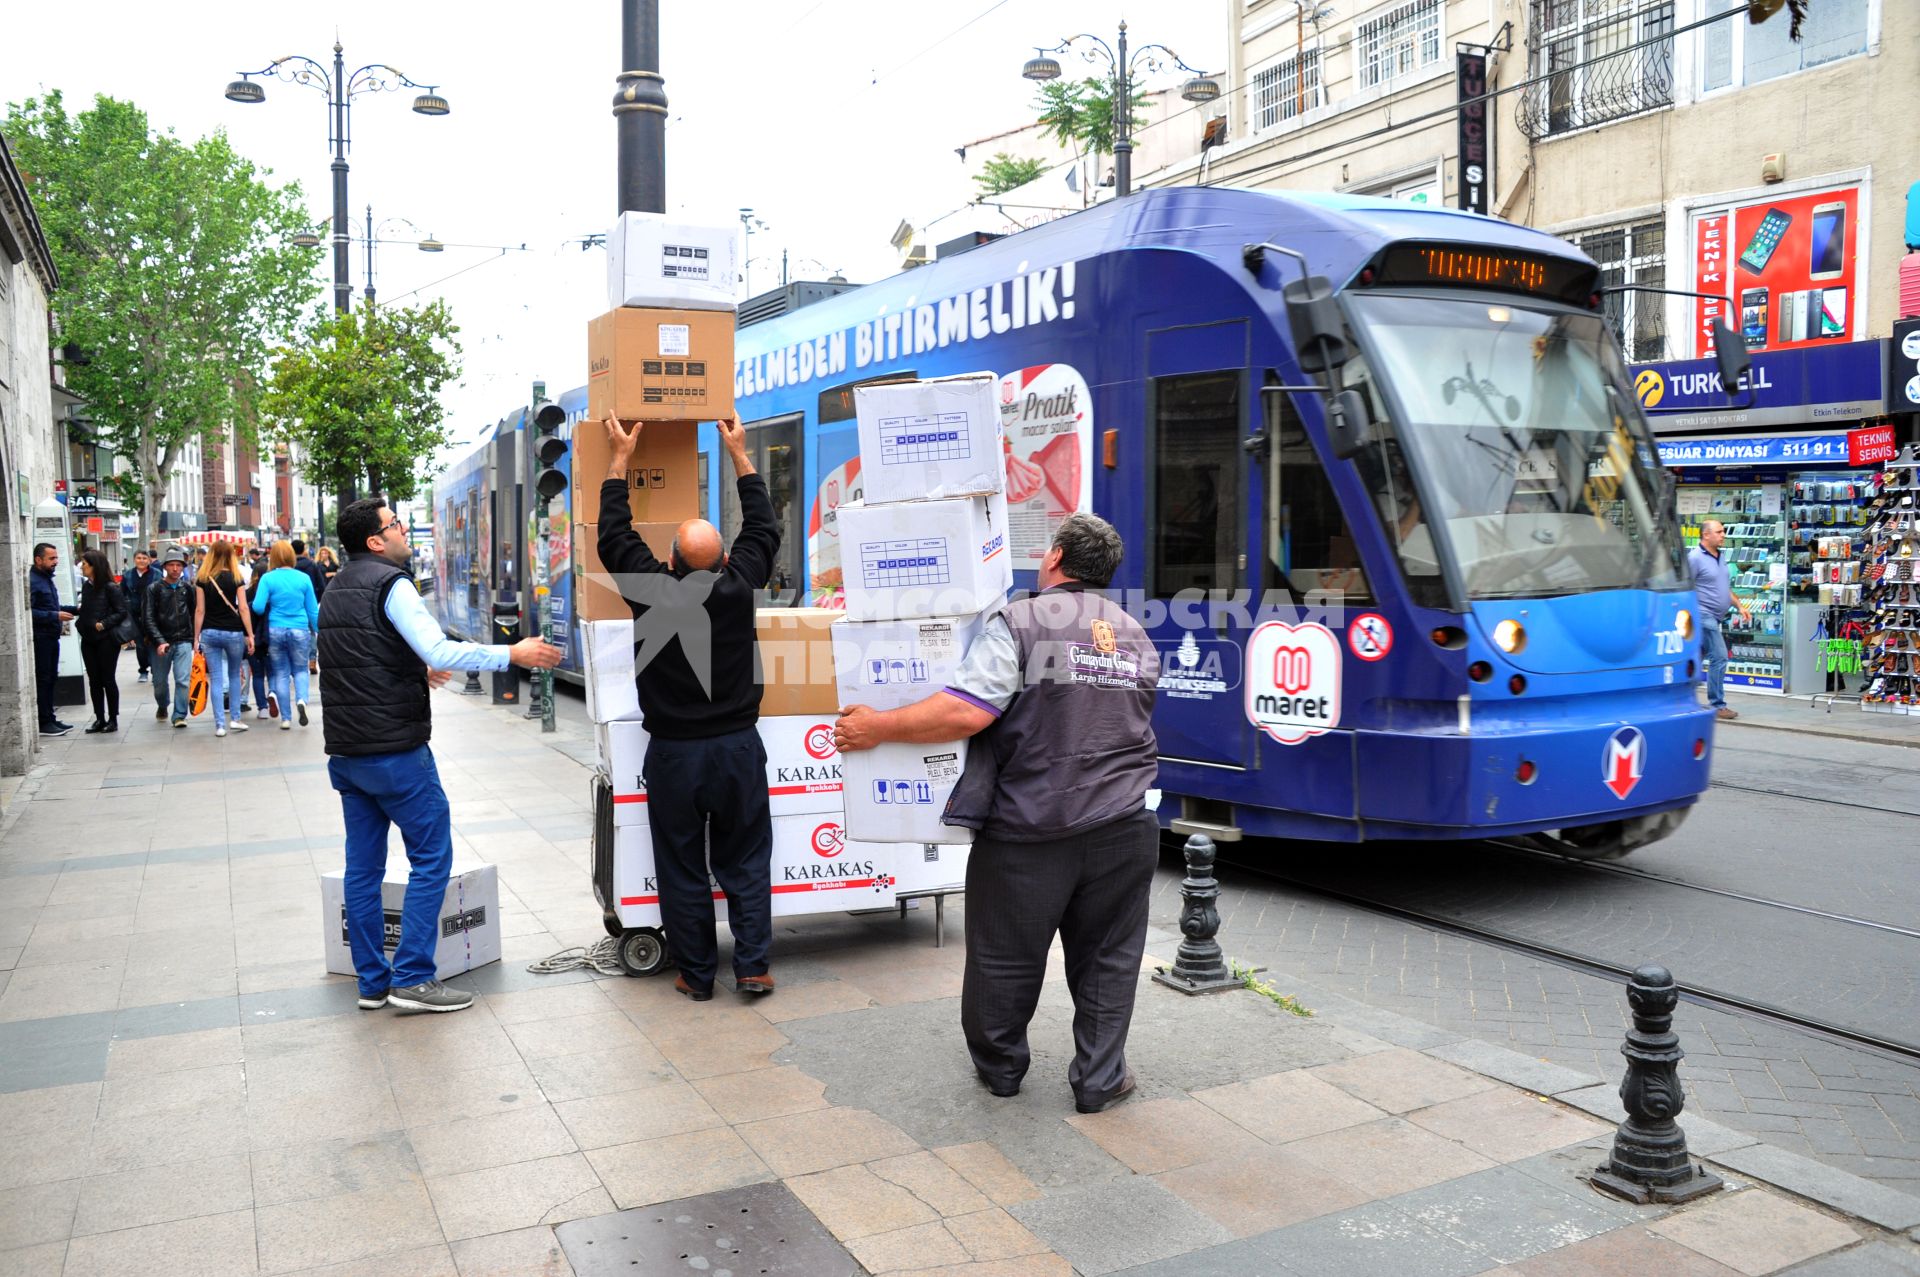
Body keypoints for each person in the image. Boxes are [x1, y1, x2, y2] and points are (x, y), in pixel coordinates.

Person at [834, 513, 1160, 1114]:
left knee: (1004, 955)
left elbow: (967, 711)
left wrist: (877, 727)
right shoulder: (1135, 633)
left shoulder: (1022, 621)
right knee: (1109, 959)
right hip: (1125, 823)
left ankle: (1002, 1069)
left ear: (1057, 556)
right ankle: (1100, 1079)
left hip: (1032, 828)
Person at [320, 496, 562, 1013]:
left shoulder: (335, 587)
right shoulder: (394, 584)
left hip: (347, 751)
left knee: (361, 869)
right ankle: (412, 977)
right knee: (431, 858)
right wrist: (511, 653)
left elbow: (363, 654)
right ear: (376, 541)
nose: (404, 530)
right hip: (396, 752)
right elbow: (439, 650)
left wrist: (412, 671)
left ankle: (372, 984)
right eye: (395, 524)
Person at [598, 411, 780, 1002]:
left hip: (674, 756)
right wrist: (740, 455)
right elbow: (764, 527)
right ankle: (752, 968)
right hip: (737, 751)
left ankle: (697, 976)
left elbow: (613, 535)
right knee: (746, 860)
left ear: (670, 562)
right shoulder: (740, 584)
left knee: (680, 867)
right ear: (724, 562)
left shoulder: (650, 592)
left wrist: (621, 459)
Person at [252, 539, 320, 729]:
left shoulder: (267, 578)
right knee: (300, 670)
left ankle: (286, 718)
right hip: (299, 628)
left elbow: (257, 607)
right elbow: (313, 610)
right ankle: (301, 700)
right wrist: (319, 630)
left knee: (280, 673)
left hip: (275, 629)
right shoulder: (303, 578)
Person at [1689, 519, 1751, 723]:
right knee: (1720, 656)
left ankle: (1681, 698)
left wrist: (1739, 606)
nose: (1723, 535)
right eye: (1719, 532)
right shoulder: (1695, 558)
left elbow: (1724, 588)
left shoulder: (1721, 556)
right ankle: (1717, 704)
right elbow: (1685, 587)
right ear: (1706, 535)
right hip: (1702, 614)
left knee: (1694, 659)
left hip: (1716, 616)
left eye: (1723, 531)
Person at [193, 540, 255, 737]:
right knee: (235, 675)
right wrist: (250, 634)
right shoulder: (236, 577)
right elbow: (243, 608)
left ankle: (220, 724)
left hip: (210, 632)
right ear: (231, 555)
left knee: (217, 679)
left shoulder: (203, 578)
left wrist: (196, 637)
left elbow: (199, 610)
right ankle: (235, 719)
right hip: (234, 632)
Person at [74, 549, 132, 734]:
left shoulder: (110, 587)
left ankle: (113, 719)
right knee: (94, 680)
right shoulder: (87, 586)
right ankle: (99, 717)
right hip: (88, 638)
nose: (82, 567)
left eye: (85, 564)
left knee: (108, 679)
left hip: (106, 640)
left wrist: (104, 624)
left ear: (94, 566)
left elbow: (121, 611)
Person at [144, 547, 197, 728]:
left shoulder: (188, 588)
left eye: (179, 565)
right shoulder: (154, 589)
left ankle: (179, 715)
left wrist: (194, 638)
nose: (175, 569)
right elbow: (148, 618)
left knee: (182, 680)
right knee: (159, 682)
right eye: (172, 565)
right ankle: (162, 705)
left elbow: (193, 613)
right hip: (160, 642)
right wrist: (159, 641)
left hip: (183, 640)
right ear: (165, 567)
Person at [29, 543, 77, 737]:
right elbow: (28, 612)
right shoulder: (34, 581)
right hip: (41, 638)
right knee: (44, 679)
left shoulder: (46, 579)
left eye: (56, 558)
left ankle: (50, 717)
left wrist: (75, 610)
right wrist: (54, 616)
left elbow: (52, 605)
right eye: (51, 558)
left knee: (50, 678)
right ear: (38, 560)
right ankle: (44, 721)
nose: (55, 562)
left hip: (51, 636)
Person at [124, 549, 159, 683]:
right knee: (140, 645)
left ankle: (156, 671)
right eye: (139, 558)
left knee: (155, 643)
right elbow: (123, 593)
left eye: (144, 558)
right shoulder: (128, 575)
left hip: (153, 614)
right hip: (135, 615)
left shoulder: (157, 574)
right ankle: (143, 670)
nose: (142, 561)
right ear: (134, 559)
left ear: (149, 560)